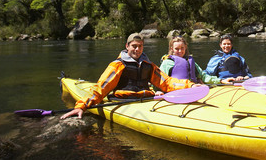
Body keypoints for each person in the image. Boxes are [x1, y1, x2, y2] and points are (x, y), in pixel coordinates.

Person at [61, 33, 199, 119]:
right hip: (123, 101)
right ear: (127, 46)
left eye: (140, 46)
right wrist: (81, 106)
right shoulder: (117, 65)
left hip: (146, 100)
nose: (137, 49)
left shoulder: (148, 66)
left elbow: (167, 82)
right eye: (134, 46)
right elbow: (101, 87)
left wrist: (190, 85)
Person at [160, 36, 235, 86]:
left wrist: (221, 81)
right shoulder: (167, 63)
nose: (180, 51)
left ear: (185, 47)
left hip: (192, 90)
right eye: (177, 49)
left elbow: (203, 76)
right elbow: (160, 80)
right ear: (172, 49)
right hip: (176, 91)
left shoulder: (189, 61)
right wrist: (158, 91)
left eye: (182, 48)